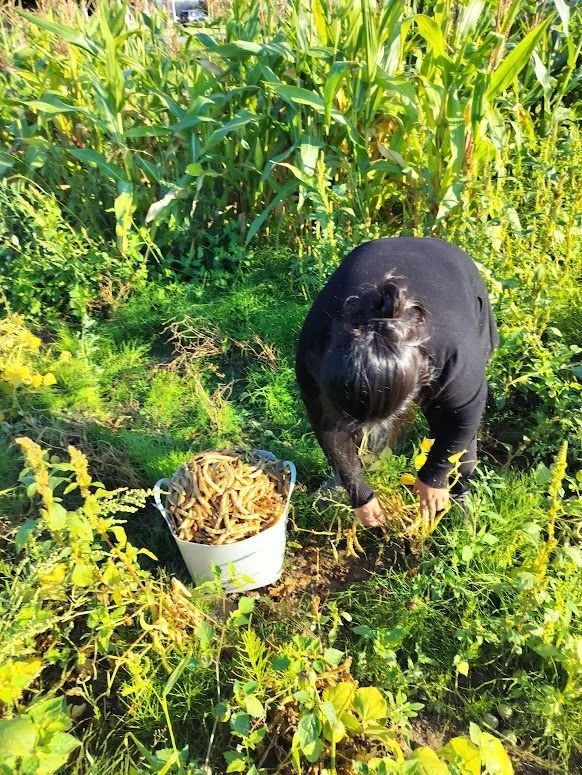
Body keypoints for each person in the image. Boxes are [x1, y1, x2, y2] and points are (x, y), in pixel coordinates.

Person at [295, 237, 499, 527]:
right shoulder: (315, 347)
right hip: (371, 256)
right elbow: (325, 422)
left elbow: (465, 418)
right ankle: (362, 461)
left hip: (449, 269)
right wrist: (358, 493)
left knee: (452, 425)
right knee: (351, 427)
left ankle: (459, 491)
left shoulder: (456, 354)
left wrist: (436, 474)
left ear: (419, 384)